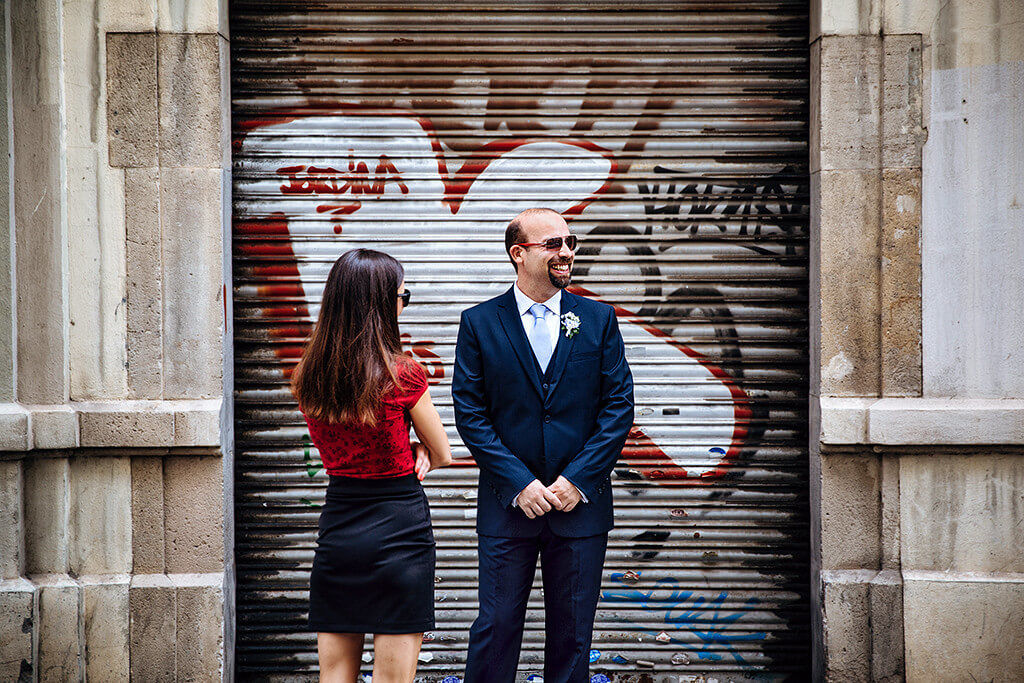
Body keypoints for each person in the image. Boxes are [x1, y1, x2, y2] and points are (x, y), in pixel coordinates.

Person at [453, 208, 635, 682]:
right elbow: (471, 414)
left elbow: (618, 408)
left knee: (574, 636)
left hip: (581, 510)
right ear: (519, 253)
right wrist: (519, 483)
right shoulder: (479, 322)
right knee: (495, 628)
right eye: (553, 243)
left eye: (570, 242)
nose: (567, 252)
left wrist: (577, 481)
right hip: (507, 508)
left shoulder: (597, 319)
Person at [291, 248, 452, 683]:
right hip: (400, 528)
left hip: (339, 527)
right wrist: (417, 450)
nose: (404, 303)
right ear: (382, 304)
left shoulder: (309, 374)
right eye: (404, 295)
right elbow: (442, 453)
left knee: (335, 676)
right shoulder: (403, 375)